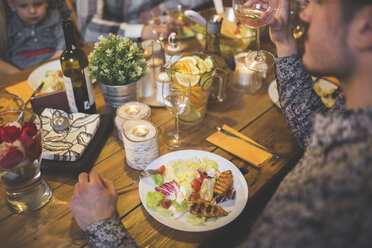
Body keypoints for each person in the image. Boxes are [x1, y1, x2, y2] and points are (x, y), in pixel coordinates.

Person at [70, 0, 372, 247]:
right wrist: (283, 42)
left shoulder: (342, 186)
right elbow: (312, 132)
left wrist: (102, 225)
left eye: (317, 4)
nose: (303, 12)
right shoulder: (355, 121)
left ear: (365, 27)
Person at [75, 0, 211, 43]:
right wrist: (141, 31)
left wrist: (160, 9)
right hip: (113, 46)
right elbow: (88, 28)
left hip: (159, 41)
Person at [1, 0, 69, 73]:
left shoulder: (54, 17)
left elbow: (63, 39)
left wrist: (58, 55)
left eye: (38, 4)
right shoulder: (10, 25)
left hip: (52, 61)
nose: (32, 11)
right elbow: (7, 52)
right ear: (12, 6)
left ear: (47, 2)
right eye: (23, 6)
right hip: (21, 67)